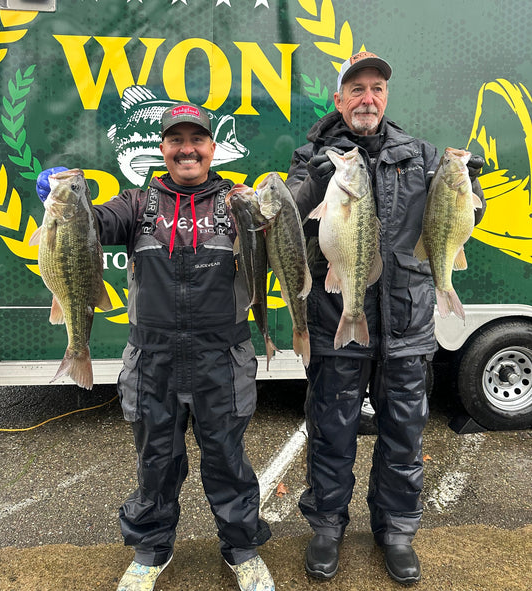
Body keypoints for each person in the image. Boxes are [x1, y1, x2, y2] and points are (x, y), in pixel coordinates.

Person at [36, 102, 275, 591]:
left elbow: (285, 240)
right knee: (156, 462)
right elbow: (90, 225)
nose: (187, 149)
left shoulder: (237, 203)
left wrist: (263, 215)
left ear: (212, 148)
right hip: (153, 359)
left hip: (221, 357)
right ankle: (151, 550)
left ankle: (242, 548)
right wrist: (58, 194)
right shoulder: (136, 204)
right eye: (176, 140)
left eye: (197, 140)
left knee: (228, 460)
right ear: (162, 149)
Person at [286, 52, 486, 586]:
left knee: (403, 433)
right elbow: (292, 220)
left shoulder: (422, 155)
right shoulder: (311, 157)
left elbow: (465, 215)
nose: (367, 99)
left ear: (387, 98)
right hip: (337, 319)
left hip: (407, 323)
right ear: (339, 100)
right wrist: (315, 179)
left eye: (376, 89)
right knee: (332, 432)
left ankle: (396, 531)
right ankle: (326, 528)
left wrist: (470, 185)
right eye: (356, 90)